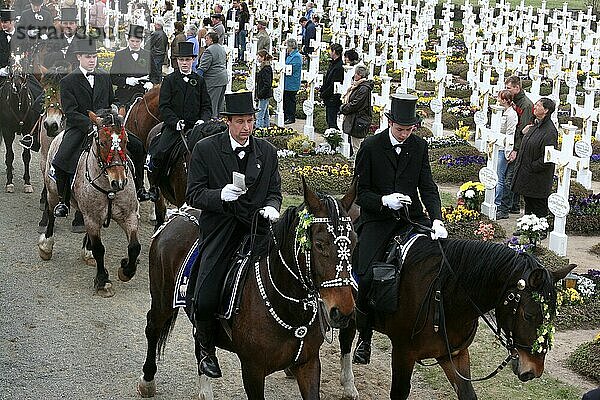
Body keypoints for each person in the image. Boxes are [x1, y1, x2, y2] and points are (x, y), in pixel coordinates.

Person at [185, 90, 282, 379]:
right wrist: (219, 195)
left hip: (259, 227)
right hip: (223, 228)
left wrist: (272, 207)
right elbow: (194, 194)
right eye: (240, 121)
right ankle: (205, 348)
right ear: (227, 121)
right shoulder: (205, 149)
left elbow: (275, 191)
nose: (246, 128)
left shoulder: (267, 151)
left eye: (251, 121)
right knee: (206, 292)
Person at [352, 94, 447, 365]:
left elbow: (427, 186)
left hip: (410, 218)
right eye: (400, 129)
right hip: (378, 220)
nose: (405, 134)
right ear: (390, 122)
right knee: (367, 272)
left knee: (437, 260)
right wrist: (384, 201)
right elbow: (360, 192)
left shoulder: (419, 146)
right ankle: (365, 336)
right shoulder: (371, 146)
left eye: (409, 129)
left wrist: (437, 218)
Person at [51, 38, 116, 217]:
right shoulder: (68, 81)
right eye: (88, 57)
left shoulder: (104, 75)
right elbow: (70, 112)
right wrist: (90, 125)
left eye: (94, 56)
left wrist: (116, 109)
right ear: (79, 57)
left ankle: (137, 189)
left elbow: (112, 100)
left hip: (106, 128)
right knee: (61, 160)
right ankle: (63, 202)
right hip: (80, 128)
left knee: (134, 146)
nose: (92, 60)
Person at [146, 41, 212, 177]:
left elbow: (206, 106)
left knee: (212, 151)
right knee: (161, 152)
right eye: (181, 60)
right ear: (177, 61)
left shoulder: (199, 80)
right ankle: (156, 184)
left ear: (193, 60)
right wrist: (175, 122)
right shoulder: (170, 80)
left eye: (187, 59)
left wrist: (202, 121)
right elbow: (164, 106)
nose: (184, 63)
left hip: (195, 128)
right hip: (175, 127)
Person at [510, 97, 558, 218]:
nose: (534, 107)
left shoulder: (550, 131)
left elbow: (547, 157)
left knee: (538, 205)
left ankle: (539, 229)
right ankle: (527, 226)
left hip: (537, 177)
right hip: (527, 173)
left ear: (546, 110)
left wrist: (532, 166)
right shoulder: (535, 124)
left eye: (538, 105)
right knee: (528, 202)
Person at [498, 75, 534, 217]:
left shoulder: (525, 104)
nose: (506, 90)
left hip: (519, 146)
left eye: (508, 88)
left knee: (509, 178)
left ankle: (504, 209)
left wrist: (516, 150)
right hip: (513, 144)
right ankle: (514, 206)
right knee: (512, 177)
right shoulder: (514, 102)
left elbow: (522, 130)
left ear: (517, 88)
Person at [110, 24, 151, 107]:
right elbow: (112, 77)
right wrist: (126, 81)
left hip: (143, 94)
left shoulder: (147, 55)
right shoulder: (120, 55)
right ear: (128, 39)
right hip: (124, 95)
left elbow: (156, 74)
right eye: (132, 41)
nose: (135, 44)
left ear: (141, 41)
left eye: (137, 41)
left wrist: (151, 83)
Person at [340, 64, 373, 156]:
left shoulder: (363, 88)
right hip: (355, 119)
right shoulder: (357, 86)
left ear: (362, 76)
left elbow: (355, 104)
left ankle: (358, 167)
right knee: (356, 146)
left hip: (359, 120)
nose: (355, 75)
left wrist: (343, 108)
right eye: (355, 73)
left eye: (357, 74)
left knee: (357, 148)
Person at [495, 89, 518, 219]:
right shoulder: (500, 112)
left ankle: (498, 203)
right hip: (496, 146)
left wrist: (508, 152)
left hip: (503, 149)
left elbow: (510, 134)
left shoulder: (511, 114)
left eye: (499, 98)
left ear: (505, 100)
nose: (497, 100)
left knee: (500, 177)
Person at [198, 32, 227, 119]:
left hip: (213, 80)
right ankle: (219, 121)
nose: (205, 41)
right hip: (223, 79)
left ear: (211, 40)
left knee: (212, 104)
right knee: (219, 105)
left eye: (207, 39)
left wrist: (195, 78)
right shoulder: (221, 48)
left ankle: (213, 123)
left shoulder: (209, 50)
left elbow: (203, 67)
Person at [319, 43, 344, 129]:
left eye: (331, 50)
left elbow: (334, 84)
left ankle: (334, 139)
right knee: (329, 120)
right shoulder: (333, 64)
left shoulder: (339, 66)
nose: (329, 52)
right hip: (329, 97)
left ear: (334, 52)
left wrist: (324, 94)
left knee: (332, 121)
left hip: (333, 98)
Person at [283, 38, 301, 125]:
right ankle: (286, 116)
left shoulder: (296, 56)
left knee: (290, 101)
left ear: (291, 47)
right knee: (286, 100)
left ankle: (291, 117)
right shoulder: (289, 55)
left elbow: (291, 69)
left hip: (292, 83)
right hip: (286, 82)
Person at [255, 49, 272, 129]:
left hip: (264, 95)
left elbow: (267, 84)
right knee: (265, 114)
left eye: (259, 56)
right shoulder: (264, 67)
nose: (257, 58)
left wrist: (260, 94)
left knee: (260, 114)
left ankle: (259, 129)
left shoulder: (266, 69)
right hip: (264, 94)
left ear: (263, 58)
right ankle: (266, 127)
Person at [147, 17, 168, 83]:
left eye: (155, 24)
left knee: (154, 71)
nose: (154, 26)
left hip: (155, 55)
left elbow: (148, 44)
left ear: (158, 25)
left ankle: (155, 85)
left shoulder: (156, 33)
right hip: (161, 55)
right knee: (159, 71)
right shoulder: (164, 34)